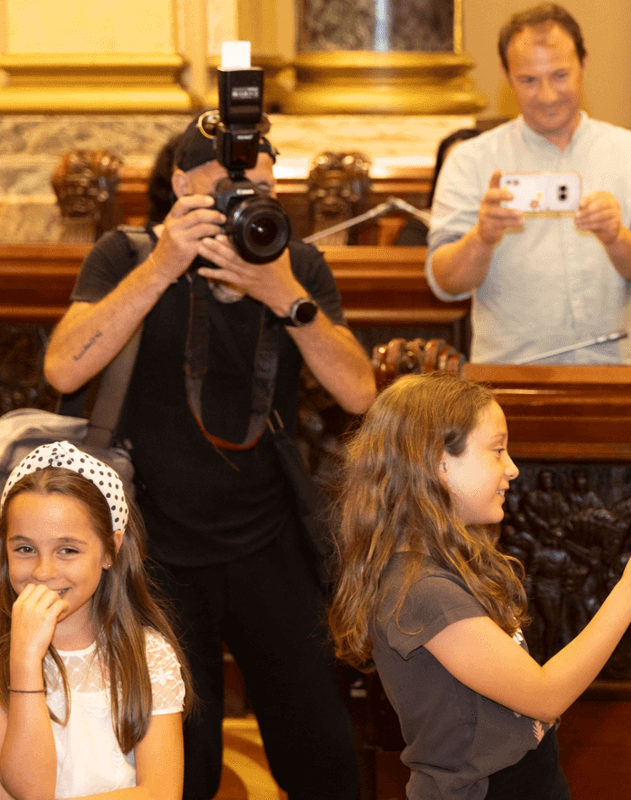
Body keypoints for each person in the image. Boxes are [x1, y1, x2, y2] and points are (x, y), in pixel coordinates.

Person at [40, 116, 376, 800]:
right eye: (226, 187)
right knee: (179, 764)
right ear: (180, 185)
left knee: (323, 752)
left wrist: (283, 293)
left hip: (267, 539)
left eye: (258, 186)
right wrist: (163, 266)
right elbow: (63, 369)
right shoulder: (127, 250)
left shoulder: (292, 261)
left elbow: (359, 391)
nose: (245, 202)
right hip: (154, 547)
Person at [328, 372, 631, 799]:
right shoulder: (421, 589)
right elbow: (544, 696)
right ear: (438, 463)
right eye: (497, 451)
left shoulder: (450, 565)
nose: (513, 468)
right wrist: (629, 593)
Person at [425, 3, 631, 365]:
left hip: (616, 371)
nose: (546, 96)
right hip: (509, 375)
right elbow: (445, 283)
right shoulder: (470, 160)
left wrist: (615, 236)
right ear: (507, 75)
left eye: (560, 75)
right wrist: (482, 236)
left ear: (584, 63)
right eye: (528, 80)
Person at [0, 441, 189, 798]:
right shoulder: (3, 651)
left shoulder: (147, 654)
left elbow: (161, 791)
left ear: (110, 550)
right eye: (25, 549)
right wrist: (25, 658)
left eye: (67, 550)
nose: (43, 571)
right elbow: (31, 790)